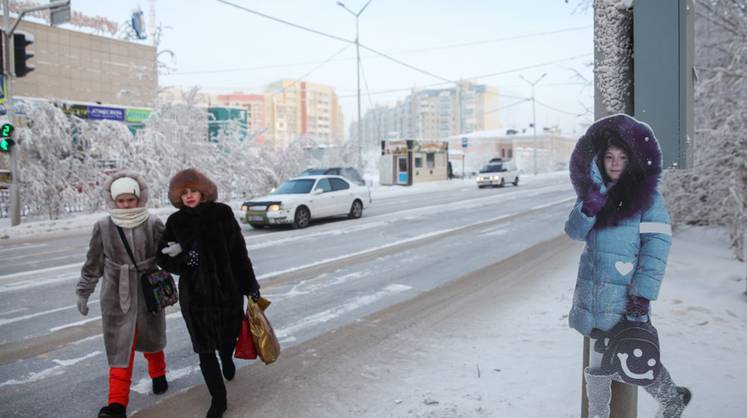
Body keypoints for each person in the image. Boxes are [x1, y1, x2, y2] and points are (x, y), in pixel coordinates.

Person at [565, 114, 691, 418]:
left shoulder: (649, 200)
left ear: (633, 160)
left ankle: (670, 397)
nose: (615, 163)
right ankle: (598, 414)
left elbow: (657, 249)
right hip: (592, 294)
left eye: (622, 157)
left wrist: (642, 295)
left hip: (627, 296)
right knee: (598, 362)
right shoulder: (592, 195)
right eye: (609, 156)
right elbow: (573, 232)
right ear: (599, 159)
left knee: (635, 353)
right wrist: (587, 209)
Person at [157, 168, 260, 418]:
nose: (189, 196)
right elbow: (161, 256)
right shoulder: (175, 222)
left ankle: (227, 357)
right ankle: (218, 400)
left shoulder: (222, 214)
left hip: (227, 292)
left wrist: (250, 286)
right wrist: (184, 262)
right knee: (204, 348)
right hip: (195, 298)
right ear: (177, 197)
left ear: (204, 190)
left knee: (227, 338)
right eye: (184, 193)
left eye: (193, 190)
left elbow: (238, 252)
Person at [76, 171, 169, 418]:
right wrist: (84, 292)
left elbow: (166, 253)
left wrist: (176, 250)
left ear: (139, 199)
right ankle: (117, 404)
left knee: (151, 338)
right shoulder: (104, 226)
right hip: (116, 295)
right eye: (121, 200)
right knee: (119, 348)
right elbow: (93, 263)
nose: (126, 205)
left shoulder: (152, 223)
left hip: (148, 290)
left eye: (131, 200)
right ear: (114, 201)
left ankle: (158, 373)